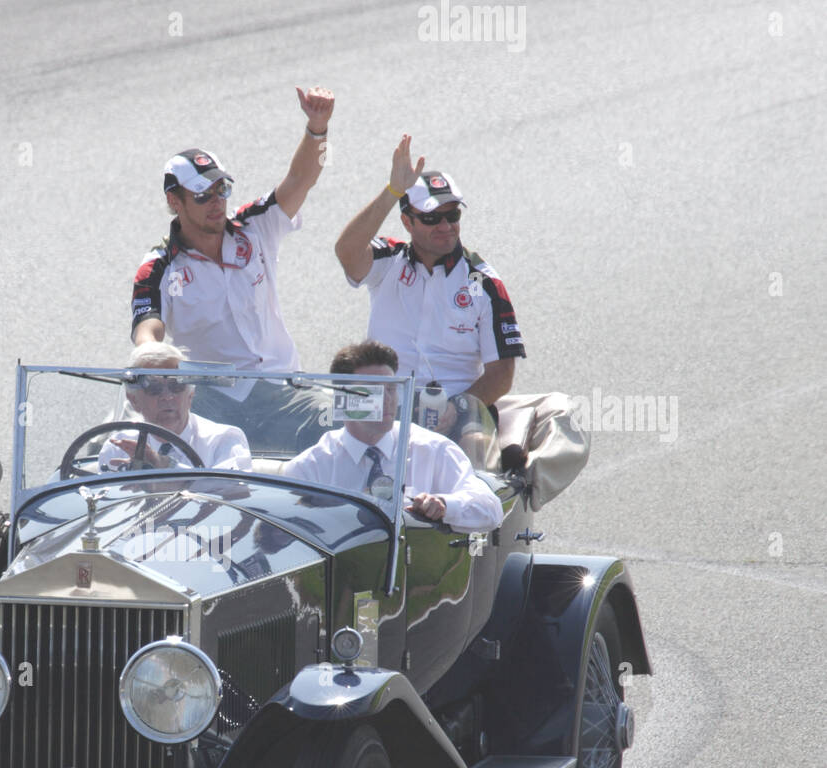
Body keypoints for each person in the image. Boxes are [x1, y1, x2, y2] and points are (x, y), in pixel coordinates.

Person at [130, 87, 336, 451]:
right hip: (212, 400)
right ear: (174, 201)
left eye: (221, 189)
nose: (216, 202)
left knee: (345, 423)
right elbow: (147, 331)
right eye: (201, 195)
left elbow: (300, 180)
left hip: (283, 391)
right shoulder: (158, 266)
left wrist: (316, 127)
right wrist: (151, 354)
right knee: (130, 439)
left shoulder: (256, 227)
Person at [333, 136, 525, 420]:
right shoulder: (387, 261)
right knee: (325, 442)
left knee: (475, 444)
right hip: (382, 410)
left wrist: (457, 410)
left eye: (453, 215)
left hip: (454, 411)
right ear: (407, 221)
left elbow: (501, 374)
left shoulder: (484, 284)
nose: (446, 226)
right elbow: (346, 251)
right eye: (432, 219)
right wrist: (392, 192)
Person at [282, 340, 503, 532]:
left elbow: (491, 509)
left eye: (391, 388)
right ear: (343, 398)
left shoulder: (432, 449)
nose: (388, 399)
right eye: (373, 390)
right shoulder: (310, 467)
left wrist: (446, 505)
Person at [96, 342, 253, 472]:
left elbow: (234, 494)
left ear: (190, 396)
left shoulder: (223, 439)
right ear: (134, 401)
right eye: (154, 388)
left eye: (176, 386)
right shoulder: (119, 446)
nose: (167, 396)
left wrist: (165, 465)